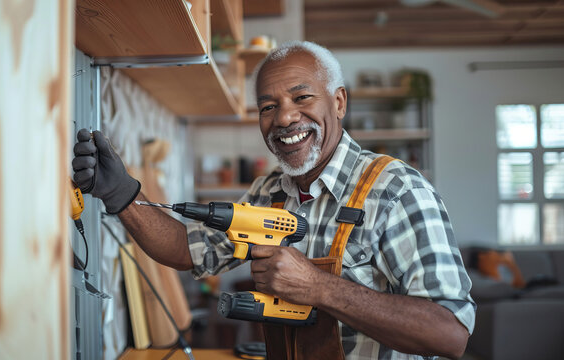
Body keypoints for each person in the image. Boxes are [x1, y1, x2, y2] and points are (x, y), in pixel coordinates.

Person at [72, 40, 475, 359]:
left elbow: (449, 333)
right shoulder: (268, 192)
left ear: (338, 102)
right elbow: (187, 249)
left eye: (302, 98)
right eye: (269, 107)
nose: (284, 118)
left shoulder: (398, 189)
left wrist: (320, 288)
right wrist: (122, 195)